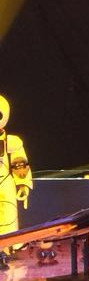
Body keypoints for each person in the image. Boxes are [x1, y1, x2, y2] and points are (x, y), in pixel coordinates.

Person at [0, 95, 34, 269]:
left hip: (5, 181)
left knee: (8, 216)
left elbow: (19, 162)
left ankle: (5, 249)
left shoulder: (11, 141)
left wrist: (22, 183)